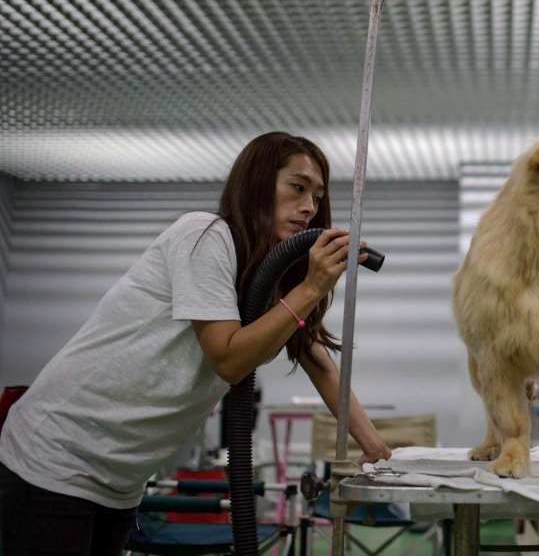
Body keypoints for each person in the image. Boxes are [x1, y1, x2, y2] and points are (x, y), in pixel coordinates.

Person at [0, 131, 391, 554]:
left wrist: (376, 449)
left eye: (317, 196)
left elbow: (316, 358)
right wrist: (311, 288)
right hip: (56, 455)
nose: (309, 207)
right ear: (258, 184)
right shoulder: (203, 236)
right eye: (297, 188)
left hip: (119, 479)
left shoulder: (274, 280)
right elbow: (228, 358)